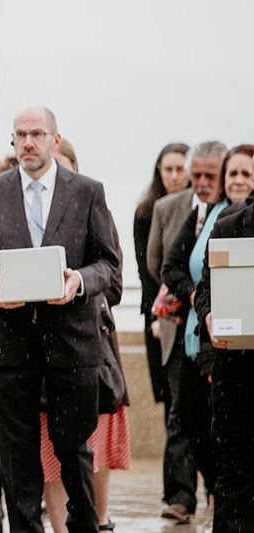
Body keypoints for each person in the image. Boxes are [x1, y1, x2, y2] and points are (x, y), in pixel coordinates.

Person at [0, 106, 119, 532]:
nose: (27, 142)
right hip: (10, 343)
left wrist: (80, 282)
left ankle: (84, 525)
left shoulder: (88, 191)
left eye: (36, 134)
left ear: (54, 138)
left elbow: (108, 264)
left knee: (73, 450)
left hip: (72, 341)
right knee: (17, 455)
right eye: (20, 134)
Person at [43, 140, 132, 533]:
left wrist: (77, 286)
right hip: (41, 349)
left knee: (94, 443)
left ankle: (99, 519)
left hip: (91, 346)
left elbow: (114, 284)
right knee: (50, 449)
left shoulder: (96, 209)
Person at [156, 141, 227, 524]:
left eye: (207, 176)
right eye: (194, 174)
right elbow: (169, 267)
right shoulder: (195, 214)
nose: (199, 183)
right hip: (193, 335)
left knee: (219, 421)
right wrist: (197, 294)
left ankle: (219, 492)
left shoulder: (230, 214)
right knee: (189, 419)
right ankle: (198, 493)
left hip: (224, 339)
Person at [195, 181, 254, 531]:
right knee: (236, 476)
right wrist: (208, 315)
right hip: (239, 377)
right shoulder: (228, 226)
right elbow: (205, 288)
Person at [133, 143, 190, 412]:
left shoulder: (198, 210)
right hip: (158, 308)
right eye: (169, 169)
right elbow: (147, 270)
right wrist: (158, 315)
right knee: (167, 390)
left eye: (181, 169)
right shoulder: (145, 212)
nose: (175, 176)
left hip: (190, 305)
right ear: (159, 170)